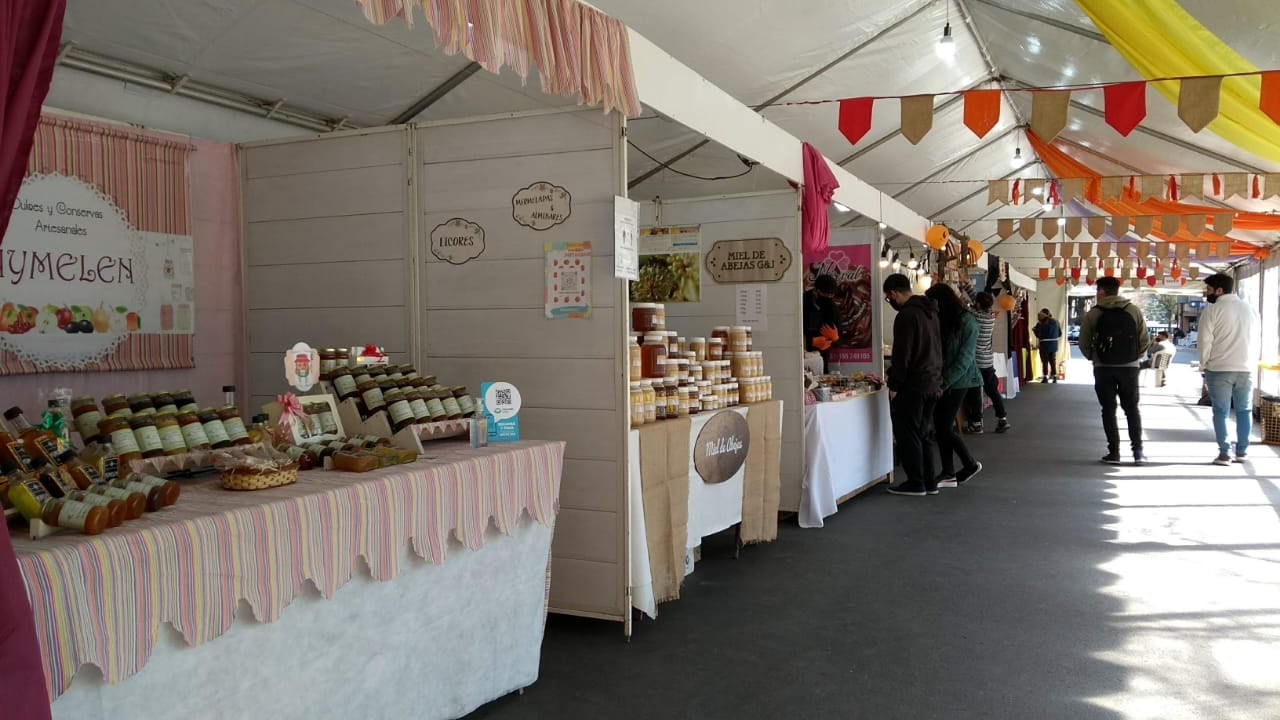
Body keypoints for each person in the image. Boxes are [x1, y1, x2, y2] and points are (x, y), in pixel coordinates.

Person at [883, 273, 943, 497]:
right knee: (924, 434)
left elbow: (902, 354)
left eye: (889, 297)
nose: (890, 301)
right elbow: (938, 348)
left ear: (893, 293)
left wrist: (895, 384)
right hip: (932, 381)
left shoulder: (906, 316)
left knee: (908, 433)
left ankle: (916, 481)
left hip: (913, 383)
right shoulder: (931, 313)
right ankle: (929, 481)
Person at [1079, 276, 1150, 465]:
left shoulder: (1093, 314)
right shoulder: (1133, 310)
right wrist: (1133, 357)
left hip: (1103, 368)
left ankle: (1114, 453)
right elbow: (1144, 340)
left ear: (1101, 292)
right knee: (1132, 409)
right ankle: (1138, 452)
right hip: (1129, 368)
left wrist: (1095, 358)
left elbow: (1084, 343)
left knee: (1108, 410)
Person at [926, 284, 984, 488]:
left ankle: (968, 464)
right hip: (943, 380)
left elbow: (965, 359)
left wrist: (943, 381)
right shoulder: (943, 320)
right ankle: (948, 472)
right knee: (942, 426)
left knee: (943, 426)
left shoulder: (968, 322)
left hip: (961, 381)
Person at [1199, 273, 1260, 465]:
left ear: (1219, 290)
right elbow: (1257, 339)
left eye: (1208, 290)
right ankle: (1242, 451)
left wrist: (1204, 364)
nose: (1206, 293)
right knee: (1244, 410)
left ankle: (1225, 453)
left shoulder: (1212, 311)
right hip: (1246, 368)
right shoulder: (1250, 309)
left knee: (1221, 411)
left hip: (1219, 368)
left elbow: (1205, 341)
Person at [963, 291, 1010, 435]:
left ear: (978, 304)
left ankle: (977, 423)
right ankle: (1002, 418)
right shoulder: (990, 316)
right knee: (993, 391)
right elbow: (977, 301)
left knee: (975, 391)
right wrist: (965, 285)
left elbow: (964, 307)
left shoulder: (975, 316)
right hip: (988, 362)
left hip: (976, 363)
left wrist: (960, 296)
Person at [803, 274, 841, 372]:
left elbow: (840, 339)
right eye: (825, 295)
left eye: (831, 295)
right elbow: (791, 334)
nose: (829, 298)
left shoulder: (833, 308)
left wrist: (836, 339)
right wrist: (810, 341)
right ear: (816, 291)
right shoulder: (802, 303)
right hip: (801, 357)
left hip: (822, 359)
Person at [1033, 309, 1063, 383]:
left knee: (1045, 361)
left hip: (1044, 345)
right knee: (1053, 361)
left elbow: (1038, 335)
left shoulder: (1040, 324)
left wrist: (1034, 330)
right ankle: (1054, 376)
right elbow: (1059, 334)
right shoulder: (1056, 322)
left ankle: (1045, 377)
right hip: (1053, 344)